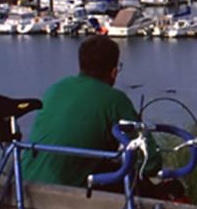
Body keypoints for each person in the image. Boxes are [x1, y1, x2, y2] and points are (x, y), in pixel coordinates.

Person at [22, 35, 138, 187]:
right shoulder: (116, 100)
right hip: (69, 199)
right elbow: (150, 162)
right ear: (114, 71)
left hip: (24, 187)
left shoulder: (56, 88)